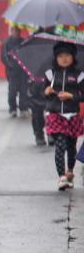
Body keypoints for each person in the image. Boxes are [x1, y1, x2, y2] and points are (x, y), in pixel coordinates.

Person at [43, 41, 84, 190]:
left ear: (73, 57)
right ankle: (61, 177)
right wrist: (46, 92)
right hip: (56, 115)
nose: (64, 58)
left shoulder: (80, 75)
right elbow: (43, 93)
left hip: (72, 115)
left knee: (71, 147)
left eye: (67, 55)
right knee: (59, 145)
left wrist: (71, 96)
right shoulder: (50, 74)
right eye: (60, 56)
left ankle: (70, 172)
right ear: (56, 58)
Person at [2, 26, 29, 117]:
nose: (16, 32)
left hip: (23, 72)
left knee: (24, 91)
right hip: (12, 72)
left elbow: (28, 55)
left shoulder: (24, 42)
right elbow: (4, 57)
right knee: (12, 92)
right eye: (15, 30)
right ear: (11, 31)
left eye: (18, 31)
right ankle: (12, 108)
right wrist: (11, 66)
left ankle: (23, 108)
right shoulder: (7, 43)